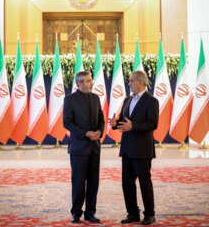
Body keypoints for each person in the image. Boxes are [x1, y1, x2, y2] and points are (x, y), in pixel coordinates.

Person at [109, 70, 159, 225]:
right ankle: (133, 213)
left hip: (142, 149)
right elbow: (126, 123)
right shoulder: (127, 100)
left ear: (141, 82)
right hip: (127, 149)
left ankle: (149, 214)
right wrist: (115, 124)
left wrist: (133, 126)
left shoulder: (152, 101)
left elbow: (152, 124)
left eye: (131, 80)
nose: (129, 83)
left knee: (145, 182)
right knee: (127, 183)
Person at [63, 71, 105, 224]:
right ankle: (76, 213)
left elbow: (101, 118)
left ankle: (90, 213)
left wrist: (99, 132)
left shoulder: (96, 98)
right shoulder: (69, 100)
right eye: (87, 81)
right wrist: (86, 134)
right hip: (79, 148)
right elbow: (67, 123)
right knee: (79, 182)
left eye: (91, 80)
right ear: (79, 84)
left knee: (94, 182)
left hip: (94, 147)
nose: (91, 83)